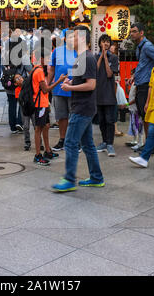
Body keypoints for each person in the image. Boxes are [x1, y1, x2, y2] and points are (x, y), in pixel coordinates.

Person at [52, 26, 105, 192]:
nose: (70, 39)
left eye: (73, 36)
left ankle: (69, 179)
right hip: (83, 107)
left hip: (82, 108)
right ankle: (96, 178)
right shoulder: (80, 57)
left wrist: (70, 88)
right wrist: (70, 83)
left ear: (82, 38)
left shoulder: (87, 58)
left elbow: (91, 84)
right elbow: (82, 81)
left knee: (70, 142)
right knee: (88, 144)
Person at [32, 47, 67, 165]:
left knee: (46, 126)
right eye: (47, 58)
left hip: (43, 103)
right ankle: (37, 155)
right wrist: (59, 81)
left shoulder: (38, 70)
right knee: (38, 129)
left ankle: (47, 151)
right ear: (41, 59)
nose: (49, 60)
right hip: (39, 104)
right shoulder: (39, 72)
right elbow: (46, 89)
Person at [48, 29, 77, 152]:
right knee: (61, 116)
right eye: (69, 37)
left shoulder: (80, 51)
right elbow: (52, 69)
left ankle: (76, 141)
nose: (72, 39)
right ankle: (62, 139)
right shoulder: (57, 51)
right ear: (65, 38)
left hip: (75, 89)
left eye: (74, 37)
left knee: (75, 116)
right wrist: (47, 85)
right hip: (59, 90)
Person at [130, 23, 154, 153]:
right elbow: (142, 64)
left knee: (147, 116)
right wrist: (134, 76)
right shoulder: (139, 47)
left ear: (141, 33)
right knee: (144, 116)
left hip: (147, 85)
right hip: (140, 84)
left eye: (134, 31)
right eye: (131, 32)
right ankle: (149, 145)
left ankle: (152, 146)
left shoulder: (148, 46)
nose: (132, 34)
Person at [95, 34, 119, 157]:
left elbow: (110, 74)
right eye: (103, 41)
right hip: (98, 93)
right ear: (99, 44)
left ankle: (110, 144)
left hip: (109, 93)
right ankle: (104, 142)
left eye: (108, 42)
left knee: (110, 120)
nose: (106, 44)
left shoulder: (113, 58)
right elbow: (95, 71)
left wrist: (105, 58)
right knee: (102, 120)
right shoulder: (95, 57)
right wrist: (101, 57)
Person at [14, 72, 35, 151]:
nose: (20, 79)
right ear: (15, 84)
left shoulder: (28, 85)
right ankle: (27, 142)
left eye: (20, 77)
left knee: (36, 126)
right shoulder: (17, 90)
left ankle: (40, 143)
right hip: (24, 110)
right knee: (25, 127)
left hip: (32, 108)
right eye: (17, 79)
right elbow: (20, 99)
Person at [125, 69, 144, 149]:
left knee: (138, 125)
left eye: (132, 74)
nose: (131, 76)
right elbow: (128, 93)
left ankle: (140, 142)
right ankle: (135, 140)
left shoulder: (139, 84)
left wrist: (127, 104)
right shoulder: (133, 83)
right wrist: (126, 85)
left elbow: (136, 98)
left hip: (136, 108)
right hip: (132, 108)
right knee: (134, 125)